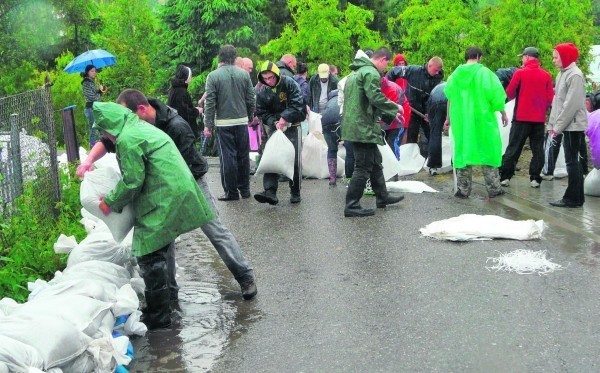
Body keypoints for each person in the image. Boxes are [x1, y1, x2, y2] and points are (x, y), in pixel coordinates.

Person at [78, 91, 258, 302]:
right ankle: (170, 292)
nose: (126, 121)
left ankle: (245, 277)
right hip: (159, 185)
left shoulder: (176, 126)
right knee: (164, 235)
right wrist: (88, 161)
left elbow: (179, 170)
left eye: (129, 115)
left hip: (190, 180)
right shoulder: (132, 125)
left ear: (142, 110)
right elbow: (106, 143)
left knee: (214, 229)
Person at [90, 102, 214, 329]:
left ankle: (159, 316)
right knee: (159, 248)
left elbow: (132, 180)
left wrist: (110, 202)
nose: (106, 135)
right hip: (172, 187)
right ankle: (164, 304)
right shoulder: (137, 127)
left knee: (148, 254)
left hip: (165, 194)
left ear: (111, 125)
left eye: (105, 130)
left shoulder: (128, 139)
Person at [342, 47, 405, 217]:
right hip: (362, 127)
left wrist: (391, 115)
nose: (386, 69)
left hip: (355, 125)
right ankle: (352, 205)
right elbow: (375, 97)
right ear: (383, 59)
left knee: (376, 161)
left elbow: (366, 103)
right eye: (387, 64)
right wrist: (396, 107)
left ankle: (382, 197)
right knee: (362, 166)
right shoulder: (371, 73)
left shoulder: (355, 74)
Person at [444, 46, 508, 199]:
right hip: (483, 121)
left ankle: (463, 190)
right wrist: (503, 112)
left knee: (463, 151)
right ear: (479, 57)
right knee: (489, 151)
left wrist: (448, 119)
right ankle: (494, 188)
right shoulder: (485, 73)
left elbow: (449, 98)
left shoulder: (455, 76)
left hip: (462, 121)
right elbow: (497, 96)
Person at [203, 45, 256, 201]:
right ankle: (245, 190)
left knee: (227, 158)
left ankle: (231, 192)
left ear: (220, 57)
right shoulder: (244, 75)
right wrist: (250, 115)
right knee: (243, 156)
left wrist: (208, 125)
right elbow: (251, 98)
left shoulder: (213, 76)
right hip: (241, 122)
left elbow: (210, 103)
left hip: (223, 123)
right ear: (234, 58)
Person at [499, 47, 554, 188]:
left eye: (522, 57)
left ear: (527, 58)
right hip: (538, 120)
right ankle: (535, 178)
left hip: (521, 118)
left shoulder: (520, 73)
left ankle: (505, 177)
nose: (521, 60)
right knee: (537, 150)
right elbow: (550, 99)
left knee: (513, 148)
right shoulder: (546, 75)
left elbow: (510, 93)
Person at [254, 61, 306, 205]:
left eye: (271, 77)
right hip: (275, 128)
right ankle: (270, 191)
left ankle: (295, 191)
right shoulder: (262, 91)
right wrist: (273, 122)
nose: (269, 81)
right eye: (265, 78)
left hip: (293, 125)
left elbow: (298, 102)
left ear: (277, 74)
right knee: (271, 157)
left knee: (293, 159)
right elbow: (262, 112)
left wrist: (285, 117)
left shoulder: (289, 83)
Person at [547, 43, 588, 208]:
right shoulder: (562, 74)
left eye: (556, 57)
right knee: (573, 161)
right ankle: (576, 198)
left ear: (566, 57)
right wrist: (551, 124)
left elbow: (571, 105)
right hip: (566, 124)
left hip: (574, 125)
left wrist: (558, 127)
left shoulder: (575, 75)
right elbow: (557, 102)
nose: (554, 60)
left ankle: (573, 198)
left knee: (572, 162)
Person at [387, 56, 444, 157]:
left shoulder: (438, 80)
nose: (437, 73)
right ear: (429, 66)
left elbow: (435, 99)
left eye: (438, 71)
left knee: (432, 137)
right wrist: (389, 88)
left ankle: (431, 163)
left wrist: (430, 112)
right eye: (435, 70)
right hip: (411, 110)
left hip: (427, 113)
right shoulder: (413, 70)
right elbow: (393, 72)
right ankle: (409, 162)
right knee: (411, 140)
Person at [167, 64, 201, 140]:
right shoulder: (181, 91)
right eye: (190, 76)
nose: (191, 78)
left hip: (175, 127)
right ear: (187, 77)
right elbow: (183, 111)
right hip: (183, 131)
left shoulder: (173, 89)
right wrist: (197, 111)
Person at [81, 65, 106, 148]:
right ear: (87, 72)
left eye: (95, 71)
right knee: (93, 128)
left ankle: (102, 144)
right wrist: (99, 93)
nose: (94, 72)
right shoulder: (86, 83)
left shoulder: (92, 82)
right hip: (90, 108)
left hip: (96, 107)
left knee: (100, 125)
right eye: (92, 71)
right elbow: (92, 97)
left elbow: (96, 93)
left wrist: (100, 89)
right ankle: (92, 145)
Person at [320, 89, 341, 185]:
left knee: (332, 150)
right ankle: (351, 178)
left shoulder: (328, 103)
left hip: (326, 124)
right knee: (350, 150)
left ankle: (332, 179)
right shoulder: (343, 99)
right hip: (340, 122)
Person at [425, 82, 447, 175]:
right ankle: (456, 163)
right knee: (457, 132)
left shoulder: (437, 88)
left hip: (434, 101)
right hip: (448, 100)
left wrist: (429, 115)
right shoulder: (456, 85)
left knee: (435, 133)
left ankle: (433, 166)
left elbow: (428, 103)